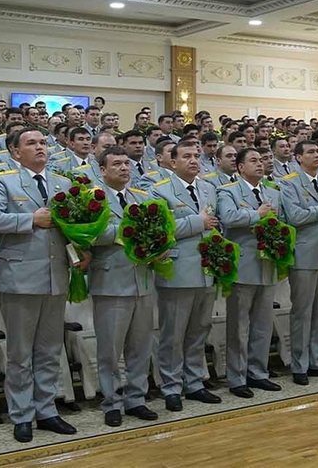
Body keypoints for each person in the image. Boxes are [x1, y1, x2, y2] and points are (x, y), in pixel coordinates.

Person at [0, 129, 82, 443]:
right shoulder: (3, 180)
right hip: (20, 278)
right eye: (31, 143)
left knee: (50, 349)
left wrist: (82, 245)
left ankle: (47, 409)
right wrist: (30, 219)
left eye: (43, 143)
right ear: (14, 151)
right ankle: (21, 414)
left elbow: (71, 226)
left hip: (55, 276)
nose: (40, 147)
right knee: (20, 353)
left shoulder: (63, 184)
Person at [150, 140, 222, 412]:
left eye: (197, 156)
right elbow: (160, 229)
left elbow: (213, 225)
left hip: (206, 269)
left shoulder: (208, 188)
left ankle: (194, 382)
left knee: (198, 330)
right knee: (173, 334)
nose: (194, 160)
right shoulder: (160, 191)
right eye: (187, 156)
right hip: (177, 271)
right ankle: (171, 387)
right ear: (172, 161)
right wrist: (197, 223)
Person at [90, 146, 158, 426]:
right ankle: (111, 402)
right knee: (110, 349)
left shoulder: (142, 197)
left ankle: (136, 398)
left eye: (127, 163)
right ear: (103, 170)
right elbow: (89, 234)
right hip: (111, 281)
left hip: (141, 279)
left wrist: (158, 244)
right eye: (116, 164)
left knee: (141, 346)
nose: (124, 168)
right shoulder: (93, 198)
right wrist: (126, 232)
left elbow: (158, 229)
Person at [218, 148, 284, 398]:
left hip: (267, 265)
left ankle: (258, 372)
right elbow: (229, 218)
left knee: (263, 325)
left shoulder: (271, 191)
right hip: (243, 266)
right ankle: (237, 377)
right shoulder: (228, 191)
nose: (260, 164)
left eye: (262, 160)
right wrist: (257, 215)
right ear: (240, 167)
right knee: (239, 326)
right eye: (253, 161)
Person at [279, 141, 318, 386]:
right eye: (311, 152)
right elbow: (294, 217)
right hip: (304, 255)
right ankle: (299, 364)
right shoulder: (289, 182)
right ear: (298, 157)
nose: (317, 155)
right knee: (302, 313)